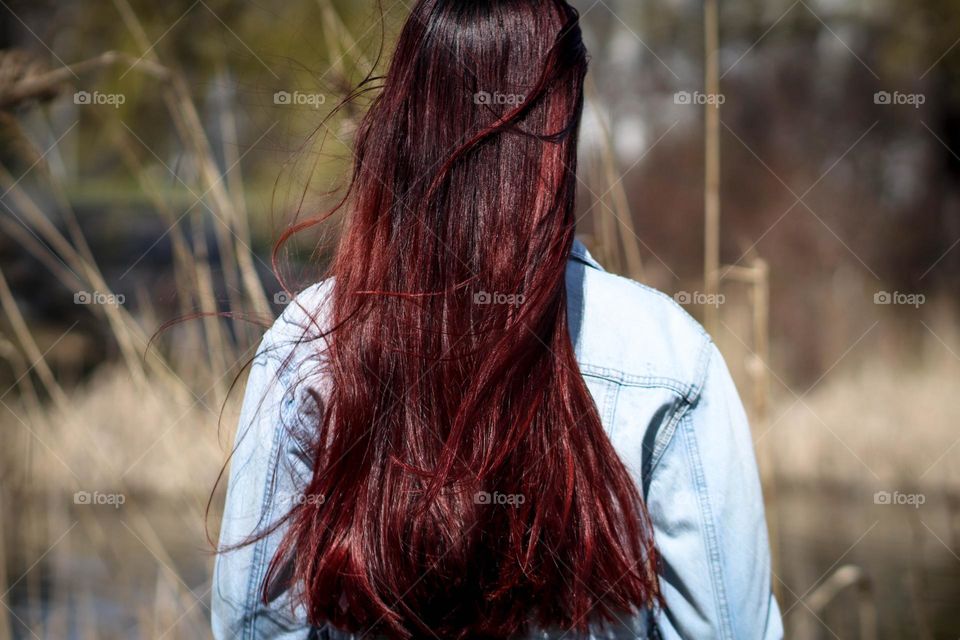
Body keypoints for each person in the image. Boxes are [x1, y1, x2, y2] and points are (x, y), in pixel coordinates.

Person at [212, 0, 783, 637]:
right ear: (563, 121)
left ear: (407, 114)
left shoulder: (306, 341)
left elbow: (255, 626)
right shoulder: (668, 356)